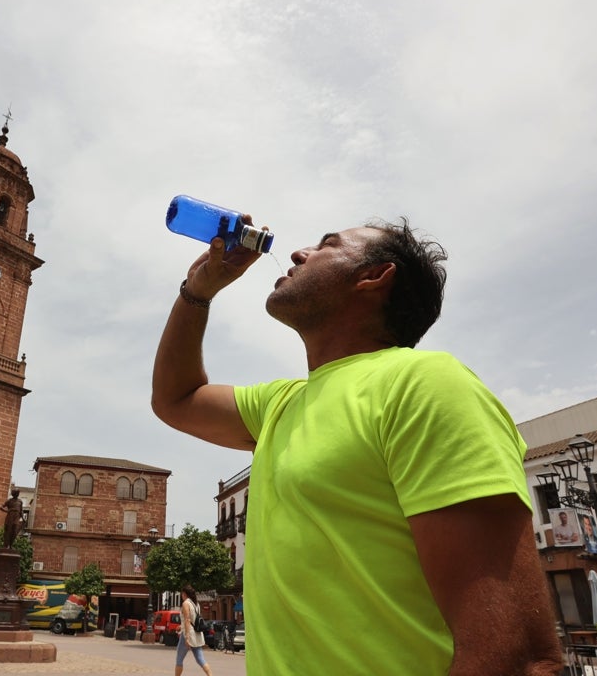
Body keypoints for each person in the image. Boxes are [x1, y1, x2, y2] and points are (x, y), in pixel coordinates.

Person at [152, 219, 563, 675]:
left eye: (328, 245)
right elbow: (176, 399)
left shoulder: (425, 385)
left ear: (373, 277)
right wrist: (198, 291)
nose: (297, 253)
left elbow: (516, 656)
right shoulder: (281, 404)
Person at [175, 585, 212, 676]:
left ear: (184, 594)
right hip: (196, 634)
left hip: (188, 634)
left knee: (179, 659)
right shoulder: (196, 604)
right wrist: (181, 626)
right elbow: (193, 619)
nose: (181, 596)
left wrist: (187, 637)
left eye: (181, 594)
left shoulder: (185, 604)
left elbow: (188, 620)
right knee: (200, 659)